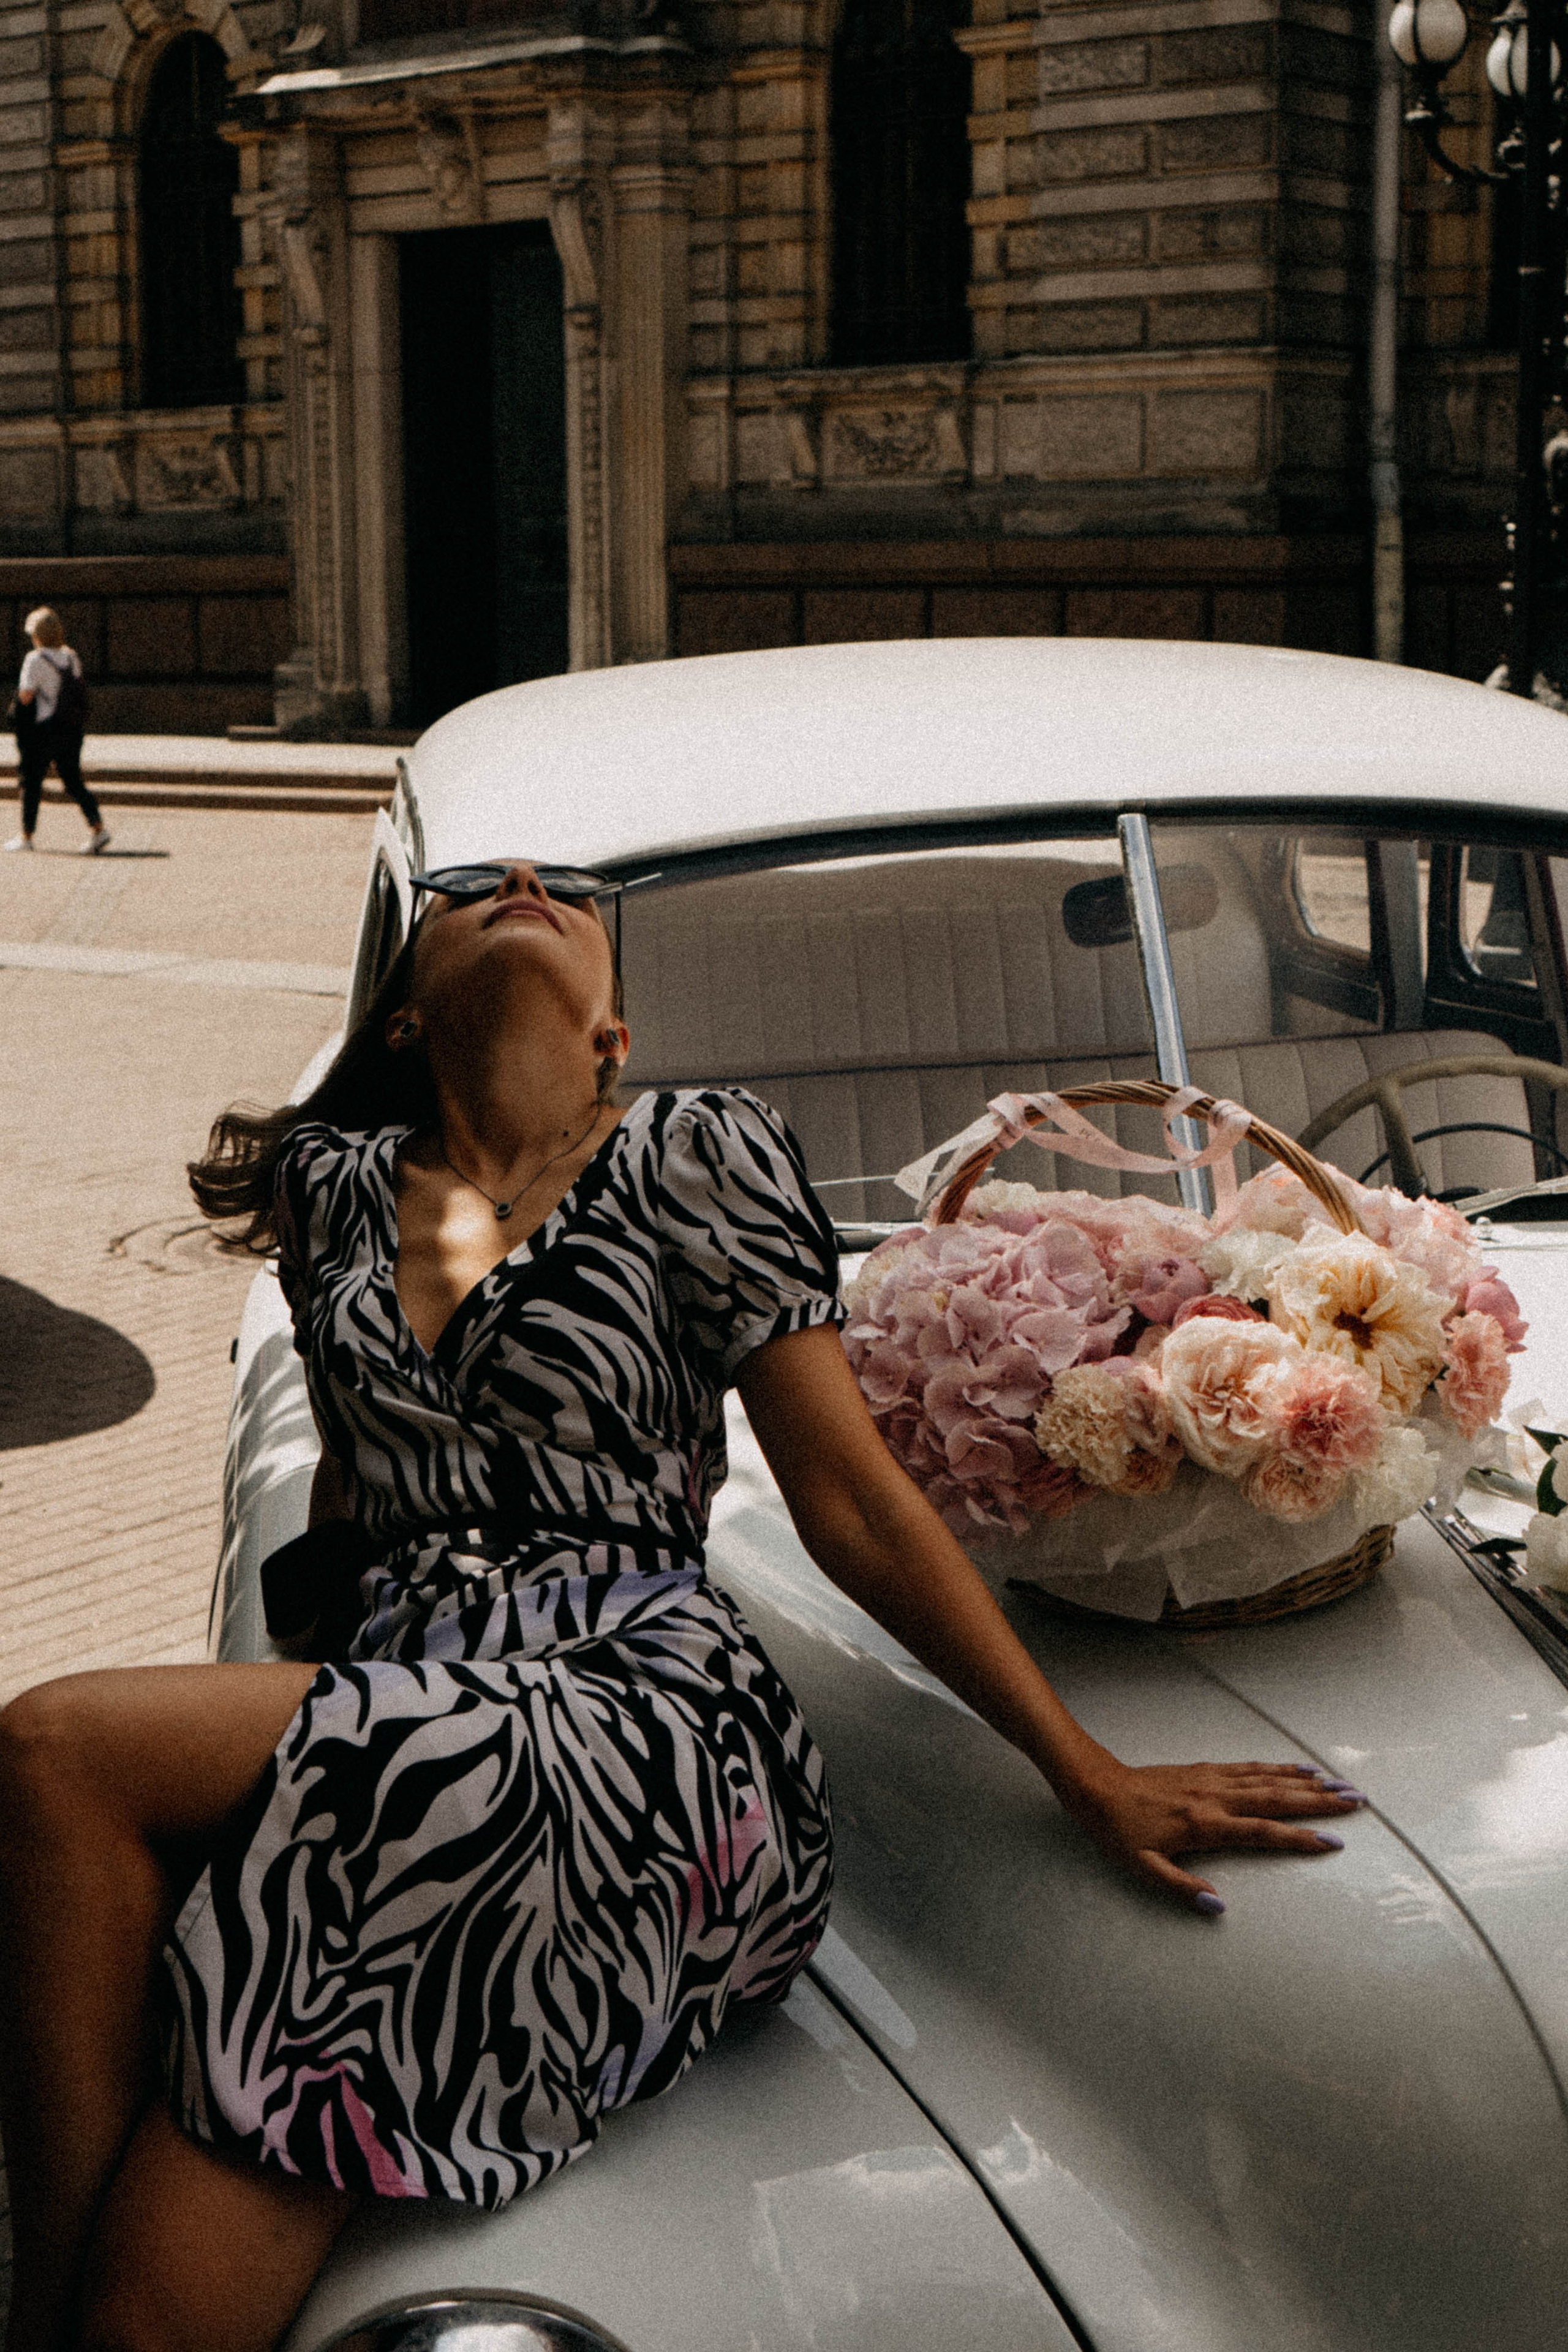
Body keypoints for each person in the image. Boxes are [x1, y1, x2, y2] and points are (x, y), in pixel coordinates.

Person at [0, 858, 1360, 2351]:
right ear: (400, 1018)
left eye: (566, 889)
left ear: (614, 1036)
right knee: (63, 1784)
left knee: (67, 1743)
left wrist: (1079, 1767)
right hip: (417, 1701)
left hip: (641, 1705)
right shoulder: (349, 1196)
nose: (523, 881)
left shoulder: (686, 1153)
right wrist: (287, 1720)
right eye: (472, 887)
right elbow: (360, 1499)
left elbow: (841, 1500)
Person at [5, 606, 109, 856]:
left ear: (37, 635)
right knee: (73, 779)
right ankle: (98, 828)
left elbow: (27, 696)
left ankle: (26, 836)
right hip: (71, 728)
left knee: (31, 782)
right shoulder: (71, 657)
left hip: (43, 729)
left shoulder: (35, 659)